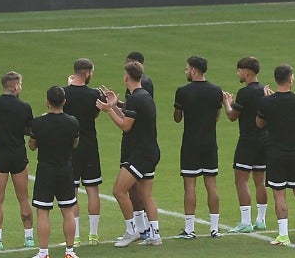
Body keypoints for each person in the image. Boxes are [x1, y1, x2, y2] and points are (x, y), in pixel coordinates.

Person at [97, 60, 163, 246]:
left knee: (118, 190)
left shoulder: (135, 98)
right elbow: (130, 116)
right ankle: (155, 234)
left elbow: (125, 126)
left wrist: (109, 109)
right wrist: (114, 104)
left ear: (126, 77)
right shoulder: (144, 96)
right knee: (146, 195)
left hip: (140, 154)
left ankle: (131, 231)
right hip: (151, 152)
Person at [256, 63, 295, 246]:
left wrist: (268, 103)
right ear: (290, 79)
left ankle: (283, 235)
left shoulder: (266, 102)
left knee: (279, 194)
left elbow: (259, 124)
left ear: (276, 80)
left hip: (275, 153)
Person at [24, 85, 81, 258]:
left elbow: (32, 146)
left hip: (46, 171)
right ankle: (70, 251)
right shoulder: (73, 122)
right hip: (65, 169)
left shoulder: (38, 123)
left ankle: (43, 253)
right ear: (64, 101)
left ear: (47, 102)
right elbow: (75, 144)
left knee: (43, 212)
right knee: (68, 211)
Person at [173, 55, 226, 238]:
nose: (186, 71)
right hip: (210, 143)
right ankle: (214, 228)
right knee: (211, 184)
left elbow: (177, 118)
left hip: (190, 144)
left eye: (187, 68)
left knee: (190, 186)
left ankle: (189, 229)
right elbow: (217, 115)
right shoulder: (216, 91)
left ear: (194, 70)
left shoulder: (183, 92)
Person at [0, 71, 34, 250]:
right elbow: (29, 130)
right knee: (24, 198)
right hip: (18, 154)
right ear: (15, 86)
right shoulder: (24, 106)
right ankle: (29, 237)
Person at [224, 57, 271, 232]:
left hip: (247, 141)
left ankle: (245, 222)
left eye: (239, 71)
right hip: (264, 140)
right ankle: (261, 220)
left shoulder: (244, 93)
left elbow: (231, 116)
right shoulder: (265, 91)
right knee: (261, 181)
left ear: (246, 72)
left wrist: (227, 102)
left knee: (241, 180)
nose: (238, 74)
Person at [62, 58, 106, 242]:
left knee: (72, 191)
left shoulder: (64, 93)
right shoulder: (95, 94)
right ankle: (93, 234)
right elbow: (97, 113)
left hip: (70, 146)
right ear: (87, 73)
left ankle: (76, 236)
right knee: (92, 189)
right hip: (90, 144)